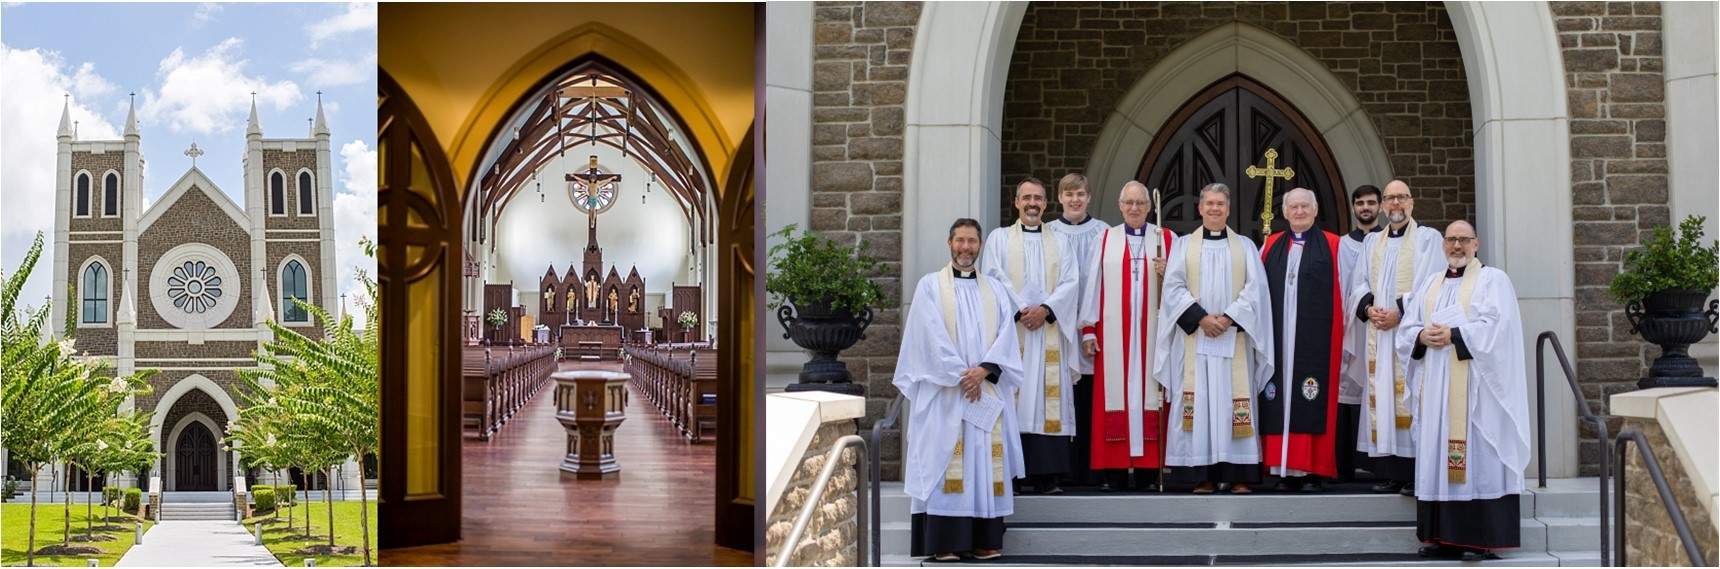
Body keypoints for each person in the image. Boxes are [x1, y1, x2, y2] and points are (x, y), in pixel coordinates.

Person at [1396, 220, 1529, 561]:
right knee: (1437, 454)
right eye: (1451, 240)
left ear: (1476, 244)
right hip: (1435, 388)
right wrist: (1421, 337)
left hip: (1474, 391)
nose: (1457, 246)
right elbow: (1407, 328)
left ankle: (1478, 538)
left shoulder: (1492, 280)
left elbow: (1499, 330)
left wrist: (1455, 335)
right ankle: (1440, 536)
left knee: (1477, 458)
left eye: (1463, 240)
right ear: (1443, 245)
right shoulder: (1429, 284)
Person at [895, 218, 1026, 562]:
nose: (966, 248)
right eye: (960, 241)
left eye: (972, 242)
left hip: (984, 389)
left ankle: (984, 539)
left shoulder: (996, 290)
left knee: (984, 463)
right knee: (946, 461)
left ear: (980, 246)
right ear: (949, 243)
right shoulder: (929, 287)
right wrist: (961, 375)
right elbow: (929, 337)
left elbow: (1006, 336)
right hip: (946, 393)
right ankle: (946, 543)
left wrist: (984, 370)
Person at [1153, 183, 1274, 495]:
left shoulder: (1245, 246)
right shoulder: (1182, 246)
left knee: (1233, 403)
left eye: (1220, 203)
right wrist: (1201, 318)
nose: (1215, 209)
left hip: (1234, 338)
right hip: (1196, 340)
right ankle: (1201, 475)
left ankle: (1238, 474)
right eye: (1209, 203)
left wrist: (1229, 317)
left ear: (1229, 209)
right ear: (1200, 208)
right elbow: (1173, 288)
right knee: (1200, 402)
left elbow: (1256, 289)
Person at [982, 178, 1082, 495]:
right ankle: (1014, 473)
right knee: (1015, 397)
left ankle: (1047, 474)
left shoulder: (1060, 241)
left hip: (1049, 331)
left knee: (1047, 401)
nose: (1032, 203)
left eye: (1038, 198)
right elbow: (993, 277)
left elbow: (1071, 281)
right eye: (1026, 198)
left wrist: (1047, 310)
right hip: (1015, 334)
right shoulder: (998, 240)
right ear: (1016, 202)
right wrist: (1022, 309)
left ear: (1045, 203)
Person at [1344, 180, 1443, 495]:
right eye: (1390, 199)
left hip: (1409, 334)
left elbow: (1432, 284)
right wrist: (1369, 307)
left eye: (1401, 198)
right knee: (1383, 396)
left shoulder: (1428, 240)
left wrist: (1400, 311)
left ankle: (1414, 471)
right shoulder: (1373, 242)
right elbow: (1357, 283)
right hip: (1379, 334)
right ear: (1384, 206)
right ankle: (1391, 471)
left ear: (1411, 202)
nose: (1395, 204)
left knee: (1408, 397)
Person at [1078, 181, 1174, 491]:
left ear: (1150, 207)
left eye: (1140, 203)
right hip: (1113, 333)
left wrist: (1167, 270)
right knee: (1114, 394)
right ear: (1120, 206)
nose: (1134, 208)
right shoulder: (1106, 239)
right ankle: (1115, 470)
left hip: (1153, 334)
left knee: (1152, 393)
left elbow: (1184, 285)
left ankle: (1148, 471)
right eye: (1129, 202)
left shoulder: (1166, 239)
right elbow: (1092, 285)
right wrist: (1089, 328)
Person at [1258, 188, 1344, 492]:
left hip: (1317, 339)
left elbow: (1346, 293)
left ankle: (1312, 470)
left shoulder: (1334, 245)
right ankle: (1281, 468)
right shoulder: (1270, 246)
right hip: (1279, 336)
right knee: (1277, 396)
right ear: (1284, 212)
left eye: (1304, 206)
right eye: (1293, 207)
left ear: (1316, 209)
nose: (1299, 211)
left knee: (1311, 394)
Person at [1049, 173, 1110, 488]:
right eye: (1069, 194)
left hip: (1093, 329)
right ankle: (1061, 469)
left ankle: (1092, 470)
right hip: (1056, 329)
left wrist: (1092, 326)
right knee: (1057, 397)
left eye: (1081, 194)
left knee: (1088, 399)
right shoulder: (1047, 234)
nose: (1075, 200)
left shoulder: (1104, 234)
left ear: (1089, 197)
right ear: (1059, 197)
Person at [1336, 184, 1382, 483]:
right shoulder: (1342, 245)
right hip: (1350, 326)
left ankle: (1379, 464)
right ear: (1353, 207)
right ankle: (1345, 464)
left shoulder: (1388, 243)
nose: (1366, 207)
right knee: (1347, 392)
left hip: (1382, 327)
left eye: (1371, 203)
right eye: (1360, 203)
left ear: (1379, 206)